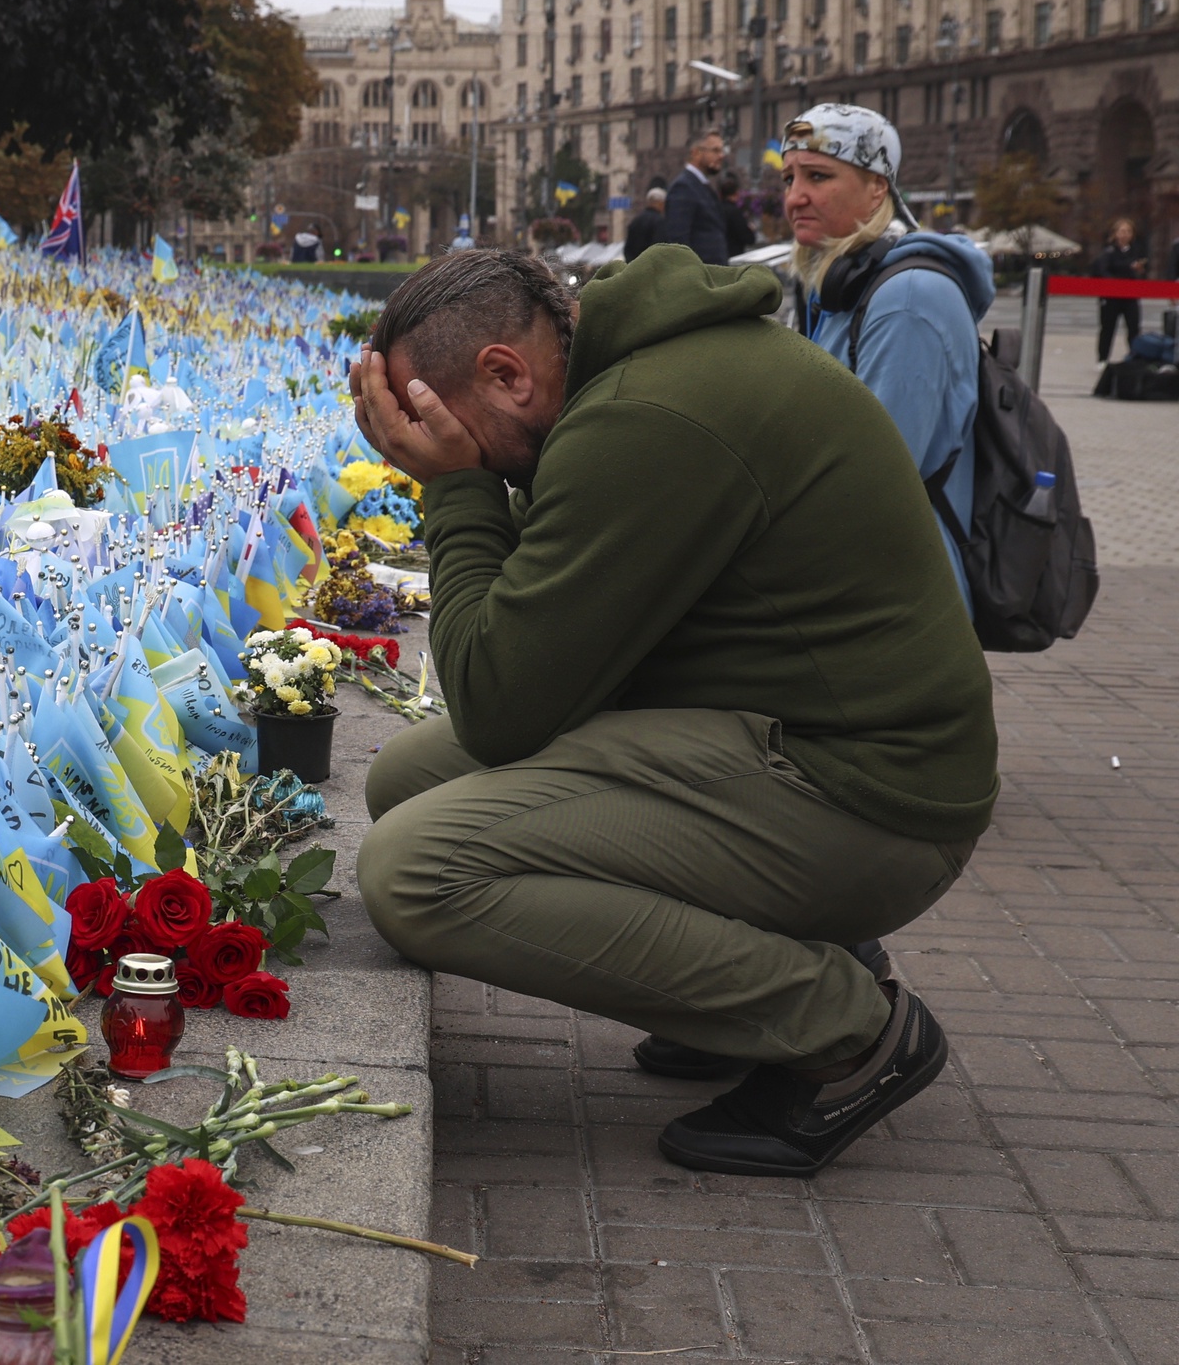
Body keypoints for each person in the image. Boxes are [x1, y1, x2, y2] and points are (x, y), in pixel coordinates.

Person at [346, 247, 995, 1177]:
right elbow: (541, 656)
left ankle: (845, 1031)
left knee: (416, 874)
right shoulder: (645, 373)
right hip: (809, 746)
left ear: (505, 372)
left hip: (869, 801)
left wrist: (454, 487)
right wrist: (472, 471)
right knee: (405, 779)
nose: (436, 443)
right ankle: (745, 990)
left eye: (437, 420)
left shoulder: (644, 419)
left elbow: (497, 702)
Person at [780, 103, 993, 605]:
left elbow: (875, 480)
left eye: (818, 176)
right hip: (857, 583)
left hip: (897, 603)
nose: (796, 197)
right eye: (788, 178)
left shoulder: (909, 299)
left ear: (878, 187)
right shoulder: (837, 293)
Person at [658, 129, 733, 264]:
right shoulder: (683, 188)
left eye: (722, 150)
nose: (721, 156)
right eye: (715, 150)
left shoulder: (701, 185)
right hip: (699, 279)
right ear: (696, 153)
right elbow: (678, 243)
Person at [1091, 218, 1147, 361]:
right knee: (1108, 328)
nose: (1125, 234)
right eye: (1122, 231)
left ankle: (1134, 357)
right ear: (1115, 234)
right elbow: (1103, 271)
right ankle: (1103, 358)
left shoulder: (1136, 250)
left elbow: (1142, 272)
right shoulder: (1108, 252)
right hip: (1111, 296)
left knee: (1134, 328)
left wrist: (1139, 271)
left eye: (1128, 231)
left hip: (1130, 296)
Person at [716, 169, 757, 257]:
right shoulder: (735, 212)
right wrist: (751, 230)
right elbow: (748, 239)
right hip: (733, 257)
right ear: (736, 193)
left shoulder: (714, 210)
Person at [623, 188, 667, 265]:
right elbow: (658, 246)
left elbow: (628, 248)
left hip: (634, 266)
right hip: (651, 268)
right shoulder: (660, 221)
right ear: (660, 203)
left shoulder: (635, 221)